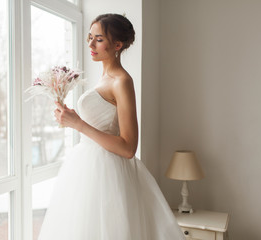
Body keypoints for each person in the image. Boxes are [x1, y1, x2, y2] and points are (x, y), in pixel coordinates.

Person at [38, 13, 185, 240]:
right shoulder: (103, 77)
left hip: (109, 173)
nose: (90, 44)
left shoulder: (121, 81)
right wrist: (70, 118)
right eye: (90, 37)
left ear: (117, 44)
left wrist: (78, 124)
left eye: (98, 39)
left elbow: (128, 148)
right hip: (86, 169)